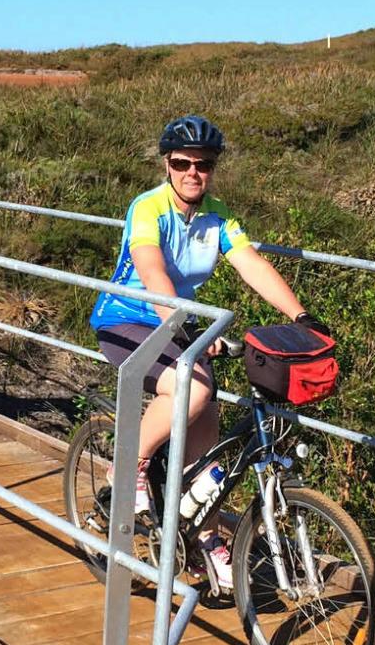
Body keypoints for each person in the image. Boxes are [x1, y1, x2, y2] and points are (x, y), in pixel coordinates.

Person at [89, 114, 325, 588]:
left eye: (204, 164)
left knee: (209, 423)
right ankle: (129, 461)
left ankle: (202, 532)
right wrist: (182, 322)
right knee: (191, 390)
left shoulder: (218, 215)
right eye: (182, 163)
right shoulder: (147, 207)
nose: (193, 172)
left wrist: (302, 317)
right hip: (127, 319)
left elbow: (250, 265)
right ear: (167, 164)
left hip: (180, 321)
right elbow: (151, 268)